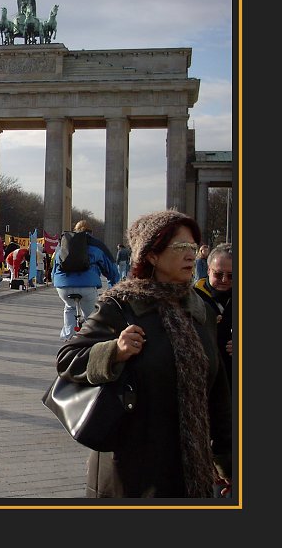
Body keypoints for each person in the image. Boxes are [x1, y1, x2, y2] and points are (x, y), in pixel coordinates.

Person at [55, 210, 232, 498]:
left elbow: (218, 395)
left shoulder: (200, 311)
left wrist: (228, 464)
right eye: (180, 248)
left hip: (189, 467)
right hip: (131, 468)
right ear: (151, 255)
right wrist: (114, 351)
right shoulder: (121, 305)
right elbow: (68, 359)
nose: (191, 255)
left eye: (193, 247)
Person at [52, 220, 121, 341]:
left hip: (63, 286)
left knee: (69, 307)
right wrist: (113, 286)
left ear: (75, 230)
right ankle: (90, 339)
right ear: (91, 232)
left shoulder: (63, 243)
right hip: (87, 286)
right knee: (91, 315)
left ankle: (68, 338)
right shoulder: (97, 245)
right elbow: (111, 268)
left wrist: (56, 282)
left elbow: (54, 267)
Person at [194, 243, 233, 389]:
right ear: (208, 270)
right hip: (202, 380)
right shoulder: (191, 298)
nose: (224, 280)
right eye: (218, 274)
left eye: (231, 276)